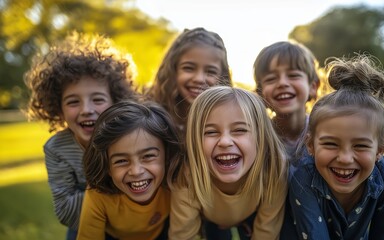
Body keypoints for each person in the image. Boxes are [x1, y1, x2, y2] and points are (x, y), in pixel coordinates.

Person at [24, 32, 139, 239]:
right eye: (73, 102)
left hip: (133, 224)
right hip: (84, 226)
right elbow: (66, 212)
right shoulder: (57, 149)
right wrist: (112, 189)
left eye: (97, 99)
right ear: (59, 110)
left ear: (116, 102)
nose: (86, 109)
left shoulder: (131, 138)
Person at [287, 55, 384, 239]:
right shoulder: (303, 178)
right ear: (310, 145)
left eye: (360, 146)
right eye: (330, 144)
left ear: (379, 150)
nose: (345, 158)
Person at [168, 86, 288, 239]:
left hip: (252, 219)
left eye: (240, 130)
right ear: (194, 141)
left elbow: (267, 232)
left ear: (261, 139)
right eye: (210, 132)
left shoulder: (273, 170)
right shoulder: (187, 177)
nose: (225, 142)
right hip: (206, 222)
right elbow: (183, 236)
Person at [77, 100, 182, 240]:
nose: (136, 171)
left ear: (167, 156)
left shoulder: (176, 183)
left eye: (148, 156)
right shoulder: (98, 196)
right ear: (107, 166)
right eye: (121, 161)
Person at [143, 27, 232, 138]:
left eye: (210, 71)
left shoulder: (229, 122)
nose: (199, 79)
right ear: (173, 69)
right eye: (189, 68)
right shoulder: (148, 118)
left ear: (222, 76)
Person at [253, 40, 323, 160]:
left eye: (293, 75)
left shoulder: (325, 132)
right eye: (271, 79)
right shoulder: (257, 137)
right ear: (260, 92)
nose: (282, 83)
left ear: (313, 87)